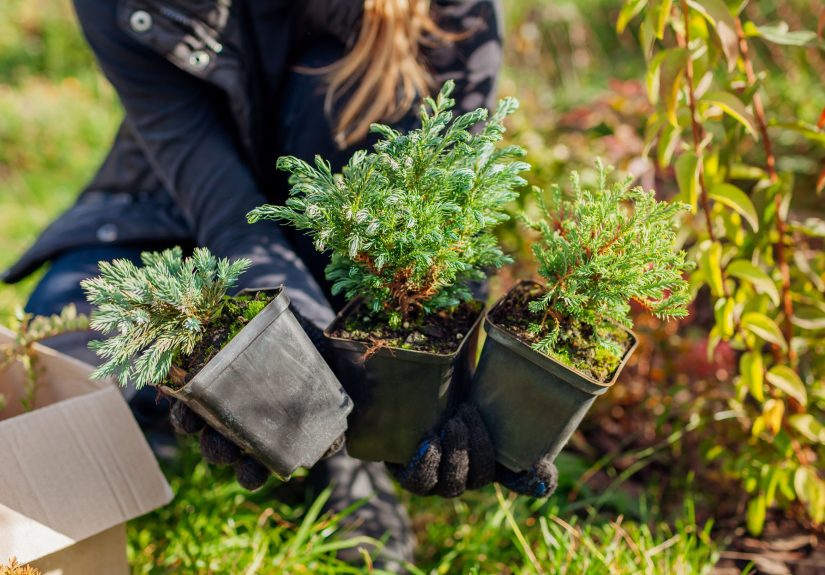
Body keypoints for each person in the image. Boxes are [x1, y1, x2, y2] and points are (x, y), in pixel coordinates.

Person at [2, 0, 555, 569]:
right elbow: (223, 204)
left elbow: (448, 209)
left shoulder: (452, 9)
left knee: (332, 92)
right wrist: (289, 339)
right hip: (173, 208)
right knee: (64, 363)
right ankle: (192, 415)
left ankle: (344, 460)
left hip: (346, 237)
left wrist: (433, 377)